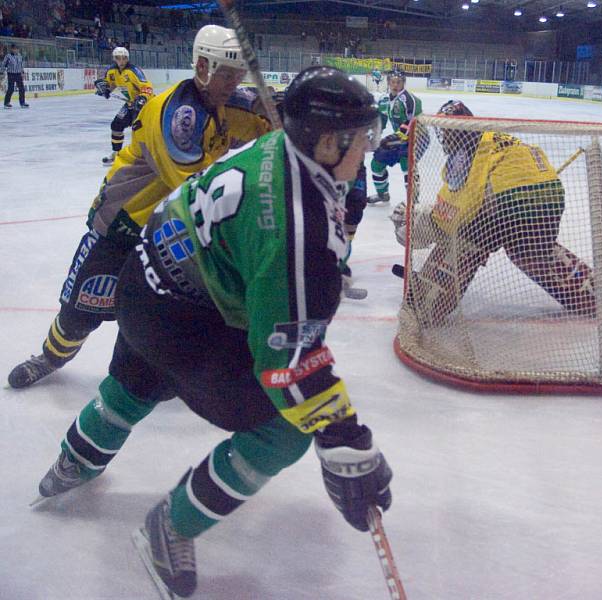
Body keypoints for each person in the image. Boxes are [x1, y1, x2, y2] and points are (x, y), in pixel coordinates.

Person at [35, 66, 392, 599]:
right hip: (186, 315)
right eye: (360, 138)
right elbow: (288, 360)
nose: (367, 149)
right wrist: (344, 443)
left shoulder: (279, 144)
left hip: (147, 274)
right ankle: (171, 526)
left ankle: (75, 460)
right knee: (284, 430)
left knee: (138, 382)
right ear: (324, 141)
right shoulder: (300, 228)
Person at [7, 25, 272, 389]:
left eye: (238, 75)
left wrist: (279, 113)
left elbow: (264, 129)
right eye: (226, 74)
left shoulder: (228, 104)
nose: (233, 82)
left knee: (158, 311)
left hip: (172, 229)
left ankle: (135, 375)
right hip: (125, 222)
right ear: (202, 68)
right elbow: (196, 188)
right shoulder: (177, 117)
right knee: (84, 305)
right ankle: (51, 356)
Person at [391, 100, 596, 325]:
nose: (445, 136)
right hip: (550, 197)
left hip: (510, 202)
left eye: (448, 130)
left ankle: (430, 301)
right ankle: (588, 290)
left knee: (463, 240)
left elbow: (461, 208)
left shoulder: (468, 151)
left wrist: (419, 222)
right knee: (530, 252)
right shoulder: (492, 136)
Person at [366, 70, 422, 205]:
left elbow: (413, 122)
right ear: (388, 82)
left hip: (416, 138)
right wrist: (373, 136)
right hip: (399, 138)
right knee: (377, 163)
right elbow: (380, 121)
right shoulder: (384, 100)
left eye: (398, 82)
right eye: (392, 82)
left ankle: (413, 201)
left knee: (407, 166)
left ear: (404, 83)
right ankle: (383, 194)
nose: (395, 85)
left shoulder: (411, 100)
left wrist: (393, 138)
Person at [94, 46, 154, 165]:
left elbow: (147, 87)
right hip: (130, 104)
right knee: (116, 125)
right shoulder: (112, 71)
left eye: (123, 58)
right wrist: (106, 90)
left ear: (127, 58)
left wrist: (142, 99)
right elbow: (110, 84)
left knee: (139, 130)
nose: (121, 61)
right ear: (114, 58)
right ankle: (117, 153)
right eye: (118, 58)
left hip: (145, 104)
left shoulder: (134, 71)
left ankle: (148, 155)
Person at [1, 43, 29, 108]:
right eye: (15, 49)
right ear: (12, 49)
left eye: (17, 49)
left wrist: (22, 72)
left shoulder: (19, 56)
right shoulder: (8, 56)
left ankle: (22, 103)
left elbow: (21, 65)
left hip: (18, 74)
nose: (16, 50)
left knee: (22, 89)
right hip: (11, 74)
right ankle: (6, 103)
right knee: (11, 89)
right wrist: (1, 73)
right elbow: (3, 64)